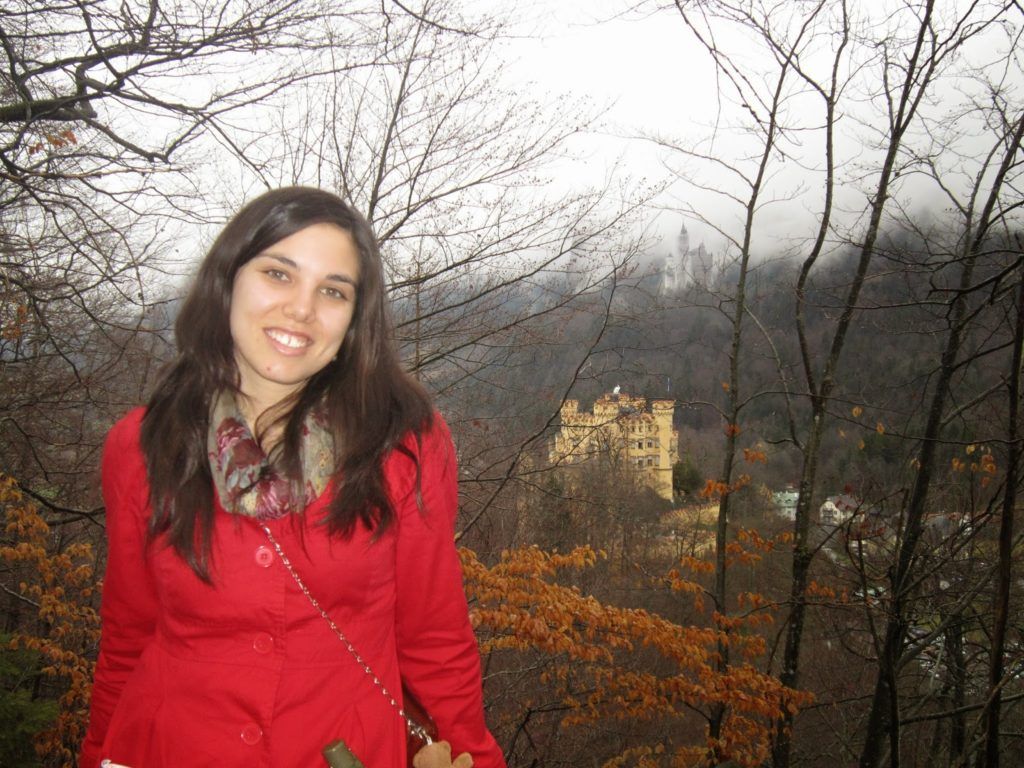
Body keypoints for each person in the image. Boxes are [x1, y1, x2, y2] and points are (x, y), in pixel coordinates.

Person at [79, 187, 506, 768]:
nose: (302, 310)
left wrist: (476, 756)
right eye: (279, 275)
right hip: (169, 746)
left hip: (341, 750)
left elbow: (434, 638)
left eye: (332, 291)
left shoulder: (402, 444)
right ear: (228, 281)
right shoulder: (143, 444)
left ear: (355, 319)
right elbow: (128, 635)